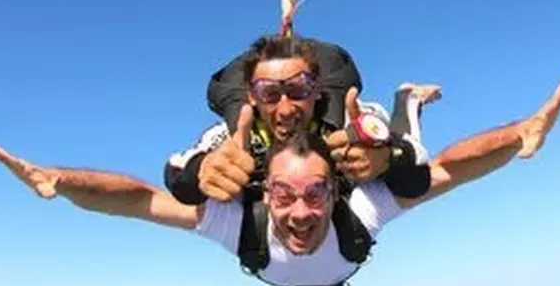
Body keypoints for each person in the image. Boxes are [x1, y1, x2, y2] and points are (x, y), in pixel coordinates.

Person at [0, 71, 560, 286]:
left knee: (408, 162)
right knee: (411, 172)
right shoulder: (244, 219)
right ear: (265, 194)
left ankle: (405, 102)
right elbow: (140, 199)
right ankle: (398, 103)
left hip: (352, 159)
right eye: (285, 195)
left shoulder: (356, 207)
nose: (299, 212)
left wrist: (521, 136)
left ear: (333, 192)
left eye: (315, 194)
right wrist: (60, 182)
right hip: (271, 162)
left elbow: (450, 168)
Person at [165, 34, 440, 206]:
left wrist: (388, 159)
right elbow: (176, 169)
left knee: (402, 144)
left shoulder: (350, 119)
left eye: (298, 89)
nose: (285, 110)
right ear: (251, 97)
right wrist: (201, 170)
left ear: (318, 89)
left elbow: (418, 175)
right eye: (269, 93)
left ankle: (408, 98)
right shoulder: (236, 134)